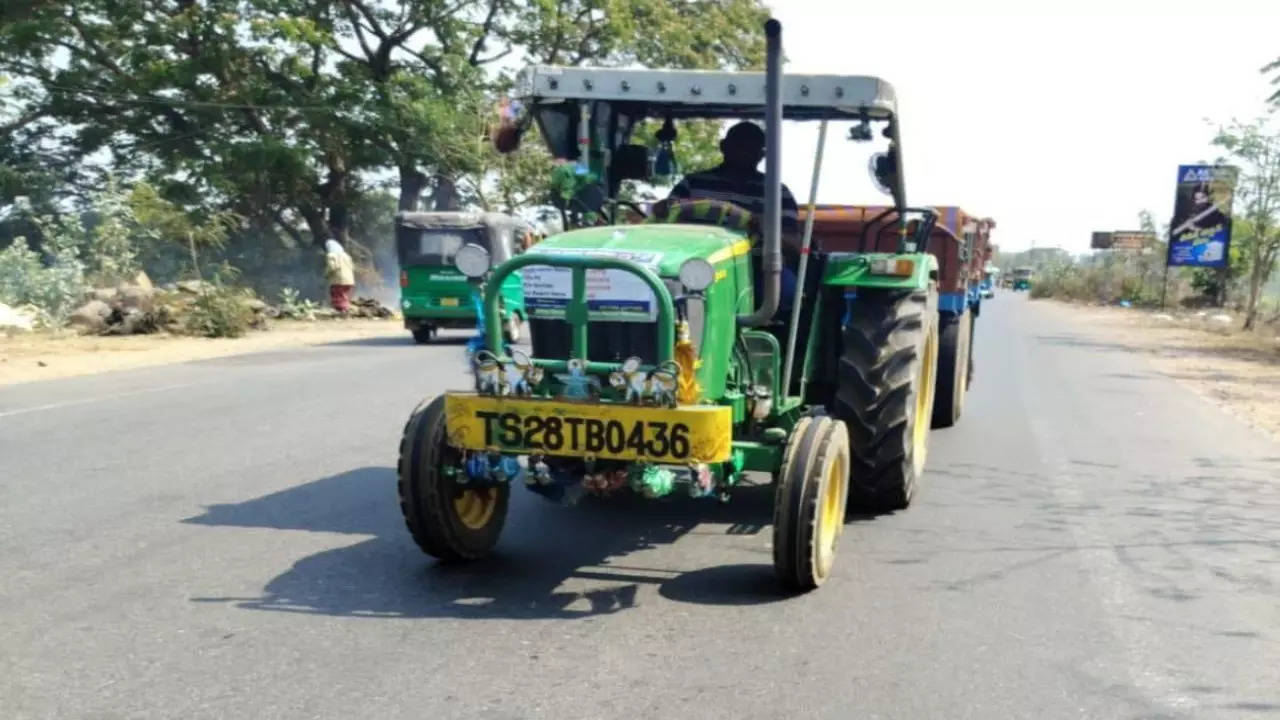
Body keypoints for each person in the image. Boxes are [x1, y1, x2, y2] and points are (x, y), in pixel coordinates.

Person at [667, 121, 803, 309]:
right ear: (723, 146)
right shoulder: (693, 183)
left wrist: (764, 227)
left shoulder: (778, 193)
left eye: (751, 148)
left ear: (762, 155)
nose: (744, 153)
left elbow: (795, 245)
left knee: (787, 293)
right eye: (738, 146)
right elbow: (668, 220)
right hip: (695, 262)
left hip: (757, 266)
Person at [323, 239, 355, 313]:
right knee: (344, 295)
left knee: (337, 294)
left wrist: (326, 274)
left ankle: (341, 311)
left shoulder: (331, 255)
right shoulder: (347, 256)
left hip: (338, 280)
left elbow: (332, 267)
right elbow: (353, 267)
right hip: (349, 280)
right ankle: (345, 309)